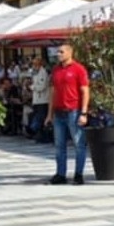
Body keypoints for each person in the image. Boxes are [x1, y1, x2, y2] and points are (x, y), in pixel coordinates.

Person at [44, 41, 90, 186]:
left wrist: (84, 112)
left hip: (74, 111)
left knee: (78, 143)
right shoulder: (56, 70)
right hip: (59, 112)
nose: (58, 54)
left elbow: (85, 91)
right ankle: (60, 174)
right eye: (58, 52)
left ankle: (78, 174)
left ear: (70, 53)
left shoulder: (78, 69)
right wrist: (49, 114)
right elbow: (53, 92)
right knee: (59, 145)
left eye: (61, 52)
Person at [27, 55, 51, 141]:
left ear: (39, 64)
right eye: (33, 64)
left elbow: (41, 87)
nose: (33, 66)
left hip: (42, 100)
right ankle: (39, 134)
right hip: (36, 100)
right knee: (38, 117)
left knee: (41, 118)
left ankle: (41, 134)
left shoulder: (42, 73)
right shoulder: (35, 73)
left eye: (35, 64)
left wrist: (32, 87)